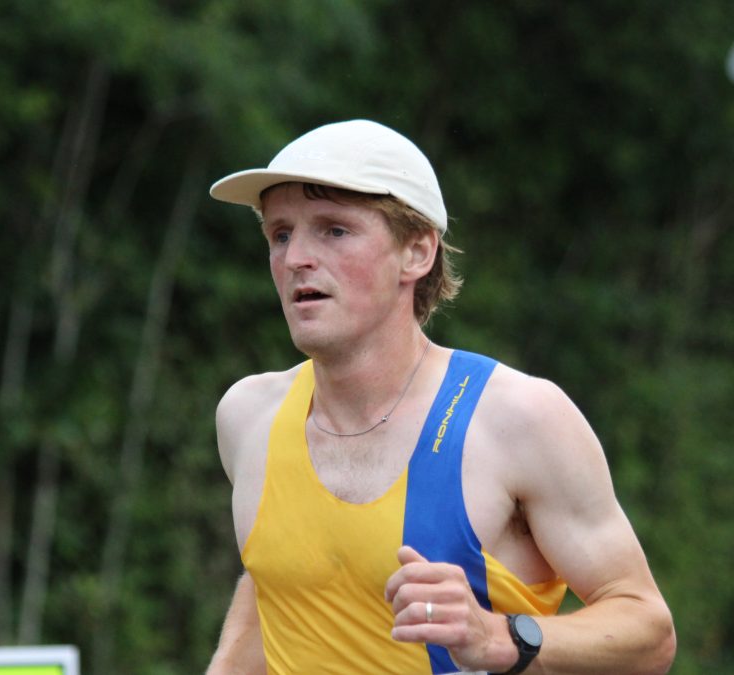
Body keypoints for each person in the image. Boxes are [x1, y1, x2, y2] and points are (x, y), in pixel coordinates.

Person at [206, 119, 675, 674]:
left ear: (416, 252)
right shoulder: (248, 416)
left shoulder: (517, 418)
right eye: (281, 234)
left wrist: (502, 637)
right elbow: (277, 587)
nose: (295, 259)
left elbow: (649, 633)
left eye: (334, 230)